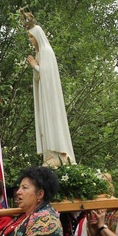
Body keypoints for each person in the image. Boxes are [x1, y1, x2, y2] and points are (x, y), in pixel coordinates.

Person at [25, 22, 76, 166]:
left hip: (50, 96)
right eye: (29, 37)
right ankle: (49, 152)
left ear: (38, 37)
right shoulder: (39, 53)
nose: (30, 40)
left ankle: (58, 151)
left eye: (31, 37)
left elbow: (47, 74)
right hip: (43, 94)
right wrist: (35, 68)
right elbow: (39, 77)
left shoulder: (46, 51)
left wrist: (35, 65)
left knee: (52, 120)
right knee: (44, 121)